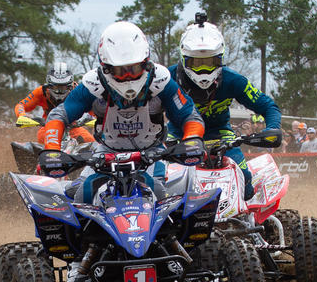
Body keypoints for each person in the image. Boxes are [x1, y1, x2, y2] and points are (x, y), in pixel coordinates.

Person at [43, 20, 205, 203]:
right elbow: (59, 115)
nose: (128, 76)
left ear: (146, 63)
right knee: (82, 194)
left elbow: (189, 115)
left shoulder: (161, 81)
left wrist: (192, 140)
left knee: (158, 193)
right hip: (106, 152)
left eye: (134, 68)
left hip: (152, 153)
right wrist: (51, 149)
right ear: (106, 67)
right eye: (121, 70)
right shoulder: (92, 84)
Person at [168, 14, 282, 199]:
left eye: (209, 62)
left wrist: (272, 129)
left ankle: (251, 225)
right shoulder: (167, 77)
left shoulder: (233, 80)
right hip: (177, 135)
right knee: (165, 184)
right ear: (184, 58)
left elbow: (268, 106)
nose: (203, 69)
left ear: (220, 58)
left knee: (245, 182)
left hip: (220, 134)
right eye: (197, 62)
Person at [14, 62, 95, 145]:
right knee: (42, 138)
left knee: (90, 141)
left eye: (63, 88)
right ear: (49, 85)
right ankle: (38, 156)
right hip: (48, 126)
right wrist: (22, 114)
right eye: (56, 87)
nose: (59, 91)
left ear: (70, 86)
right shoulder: (41, 92)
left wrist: (98, 118)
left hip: (73, 128)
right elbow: (21, 105)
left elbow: (94, 108)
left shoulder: (78, 92)